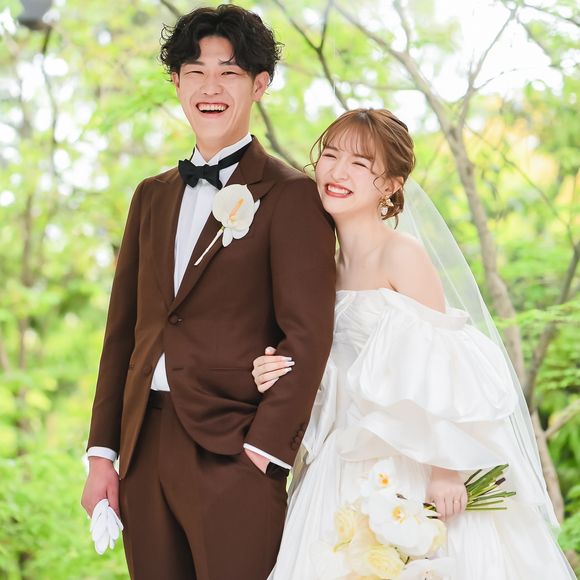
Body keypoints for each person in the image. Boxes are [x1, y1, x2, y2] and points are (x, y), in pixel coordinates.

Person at [252, 108, 575, 579]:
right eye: (331, 155)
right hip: (336, 462)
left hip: (408, 462)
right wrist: (273, 369)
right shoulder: (322, 267)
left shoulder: (402, 254)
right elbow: (326, 370)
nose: (338, 172)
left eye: (360, 164)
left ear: (390, 185)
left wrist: (446, 470)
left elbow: (446, 364)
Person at [80, 5, 336, 579]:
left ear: (260, 85)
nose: (210, 88)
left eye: (229, 72)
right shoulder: (150, 195)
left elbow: (309, 336)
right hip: (142, 450)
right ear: (176, 82)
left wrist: (263, 453)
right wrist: (102, 455)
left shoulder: (291, 195)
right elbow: (123, 334)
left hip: (235, 451)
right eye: (195, 72)